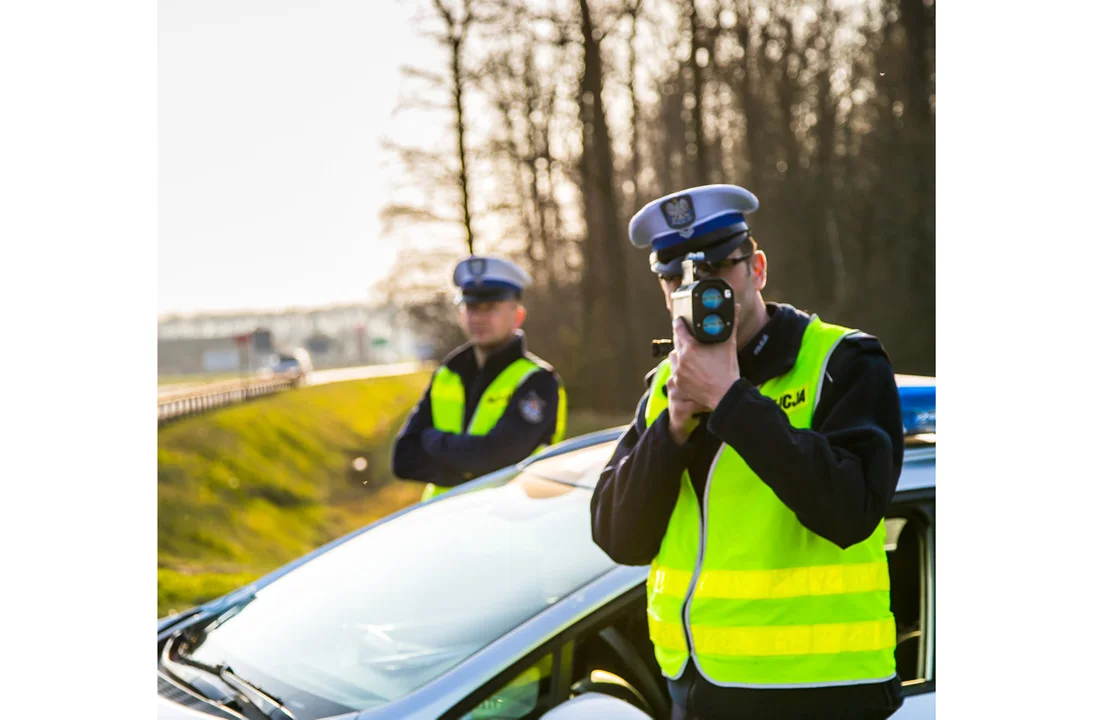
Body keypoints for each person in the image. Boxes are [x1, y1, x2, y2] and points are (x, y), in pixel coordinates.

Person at [590, 185, 906, 720]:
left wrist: (730, 401)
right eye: (675, 278)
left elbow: (851, 510)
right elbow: (619, 536)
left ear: (756, 268)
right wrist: (674, 425)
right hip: (697, 689)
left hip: (822, 692)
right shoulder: (666, 385)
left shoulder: (843, 361)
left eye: (717, 268)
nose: (697, 290)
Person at [392, 255, 567, 502]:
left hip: (510, 523)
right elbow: (403, 459)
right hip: (442, 522)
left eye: (491, 308)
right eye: (472, 307)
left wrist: (432, 441)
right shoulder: (447, 375)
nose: (478, 318)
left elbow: (496, 458)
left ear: (517, 315)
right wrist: (470, 468)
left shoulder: (537, 382)